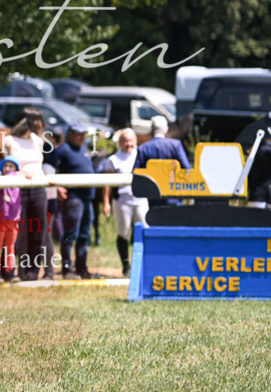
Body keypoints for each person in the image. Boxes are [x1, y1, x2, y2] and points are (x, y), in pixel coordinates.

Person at [46, 123, 98, 279]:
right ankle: (67, 268)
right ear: (70, 134)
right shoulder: (62, 150)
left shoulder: (84, 149)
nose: (81, 137)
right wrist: (57, 187)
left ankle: (82, 267)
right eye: (78, 134)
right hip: (73, 197)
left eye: (83, 134)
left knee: (85, 234)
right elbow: (50, 169)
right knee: (70, 233)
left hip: (87, 196)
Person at [3, 108, 48, 281]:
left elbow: (39, 163)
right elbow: (7, 167)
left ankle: (33, 271)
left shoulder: (37, 141)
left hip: (38, 187)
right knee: (17, 232)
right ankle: (14, 270)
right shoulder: (10, 141)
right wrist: (22, 175)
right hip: (17, 189)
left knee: (38, 230)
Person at [101, 128, 149, 276]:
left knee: (145, 229)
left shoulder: (141, 156)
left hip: (140, 199)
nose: (128, 144)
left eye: (130, 140)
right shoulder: (113, 160)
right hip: (123, 200)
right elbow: (107, 184)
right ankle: (126, 265)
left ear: (135, 141)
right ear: (121, 142)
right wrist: (106, 202)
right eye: (125, 141)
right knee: (123, 233)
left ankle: (143, 264)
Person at [134, 116, 191, 208]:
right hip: (173, 195)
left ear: (152, 130)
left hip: (152, 197)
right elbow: (187, 168)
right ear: (166, 130)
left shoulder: (143, 148)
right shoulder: (176, 145)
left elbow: (136, 172)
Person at [0, 156, 22, 282]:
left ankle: (9, 272)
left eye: (11, 166)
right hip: (0, 219)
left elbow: (18, 175)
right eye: (5, 166)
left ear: (16, 168)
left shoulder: (19, 179)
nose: (7, 168)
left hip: (13, 219)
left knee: (10, 246)